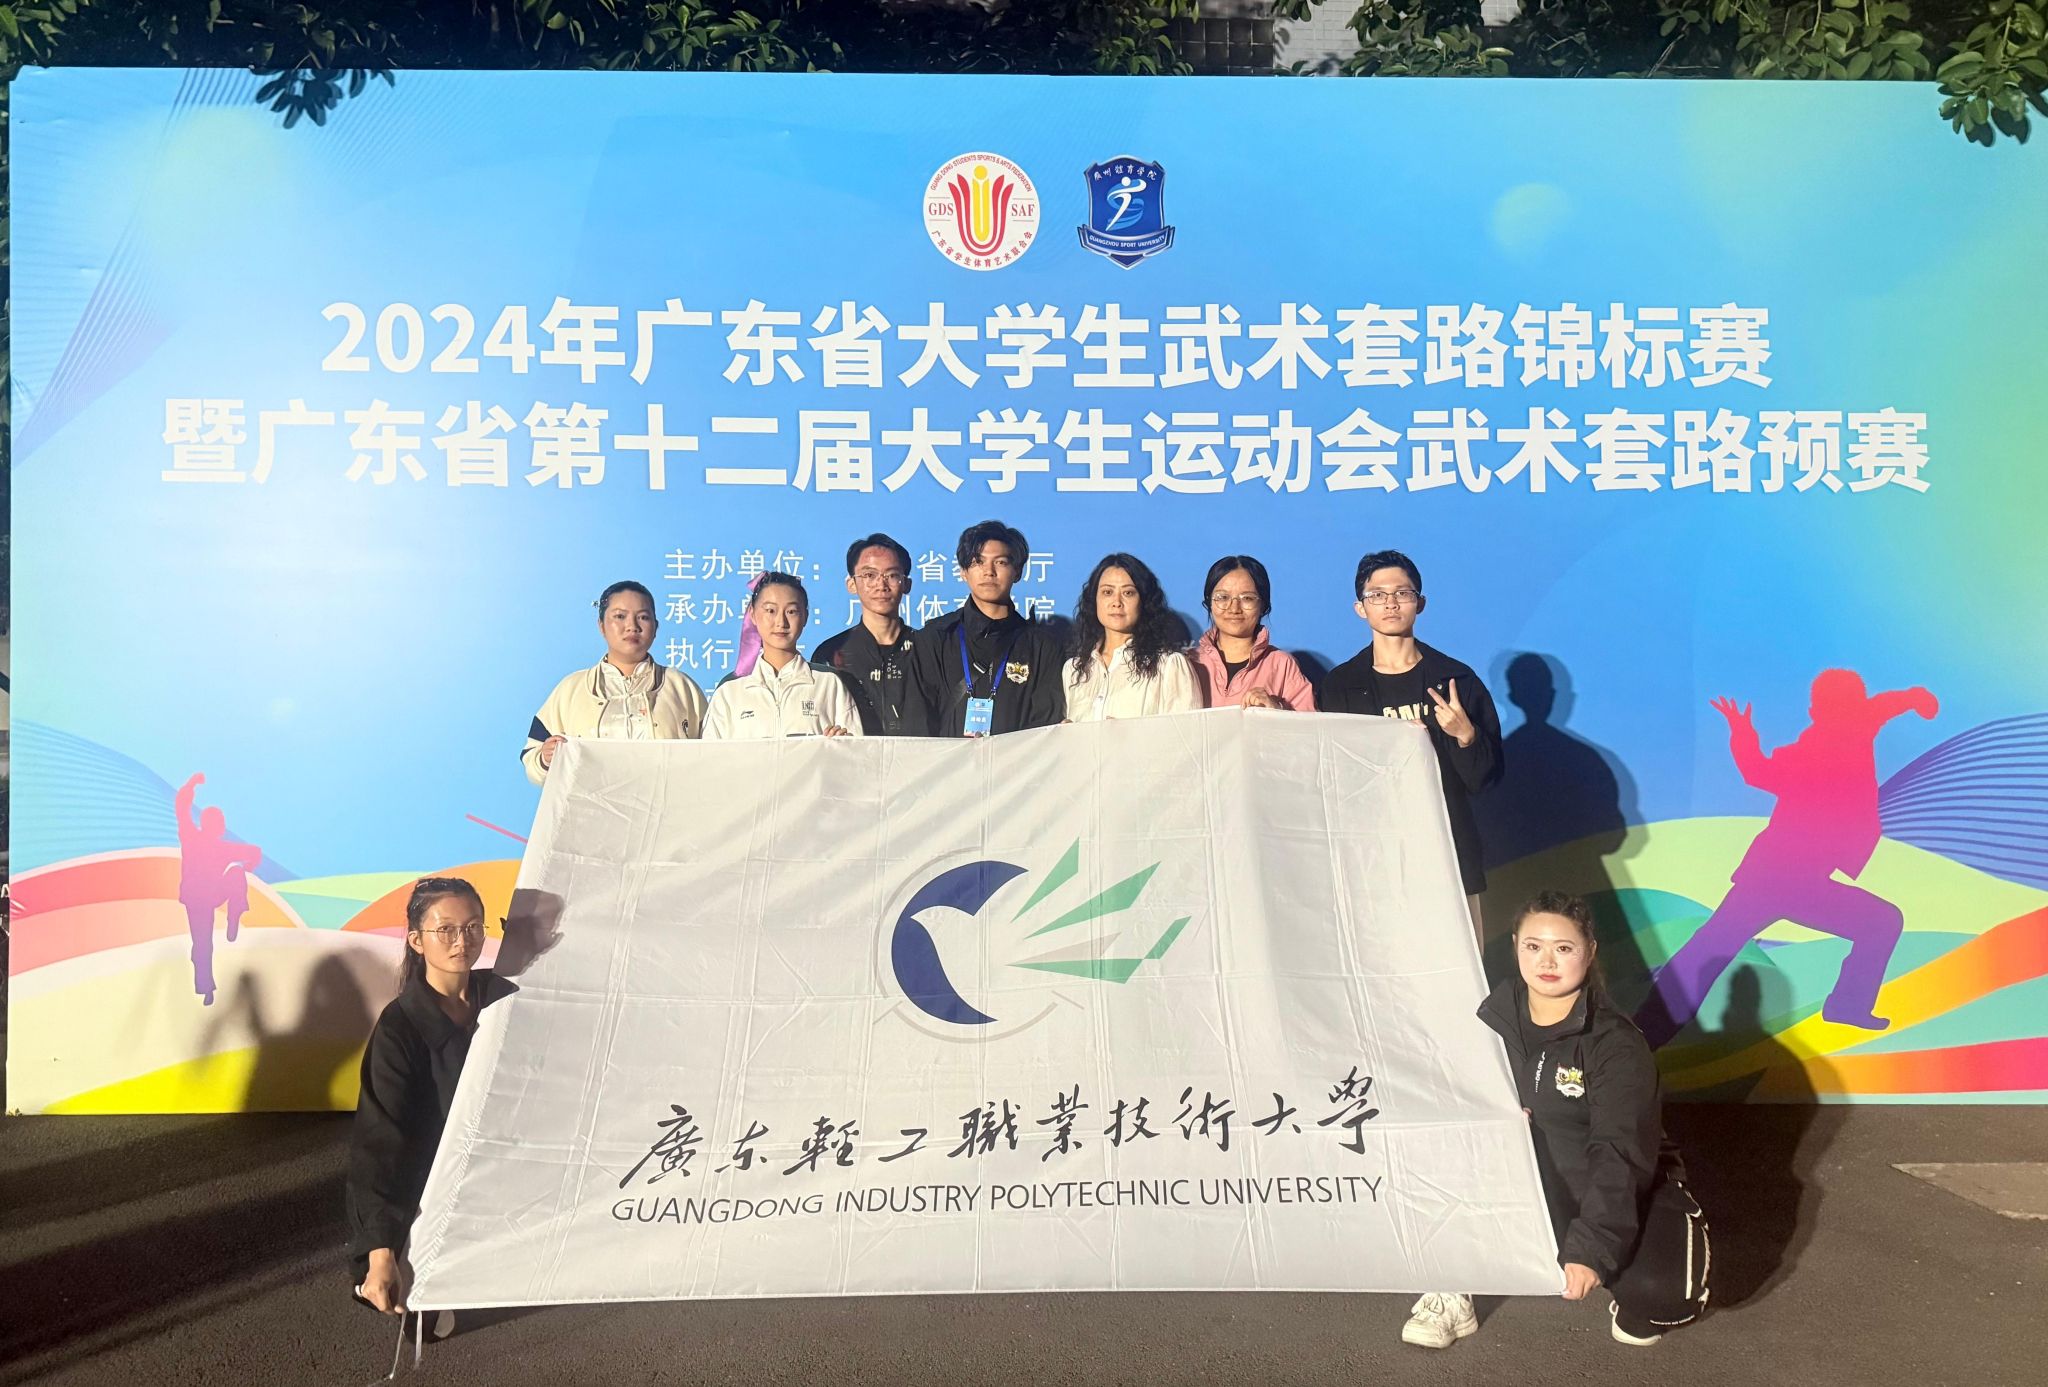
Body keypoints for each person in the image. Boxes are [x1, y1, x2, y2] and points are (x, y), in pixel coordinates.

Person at [1403, 890, 1710, 1350]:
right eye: (1533, 946)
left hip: (1595, 1181)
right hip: (1509, 1178)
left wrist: (1593, 1247)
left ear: (1589, 951)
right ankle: (1452, 1285)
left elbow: (1620, 1151)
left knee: (1660, 1294)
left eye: (1563, 948)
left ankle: (1614, 1265)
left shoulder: (1615, 1042)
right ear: (1516, 946)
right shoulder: (1486, 1018)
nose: (1546, 961)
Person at [1636, 671, 1937, 1047]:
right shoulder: (1818, 748)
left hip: (1799, 882)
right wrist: (1743, 733)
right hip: (1775, 879)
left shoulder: (1852, 730)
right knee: (1708, 950)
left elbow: (1882, 706)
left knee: (1881, 921)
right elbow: (1757, 772)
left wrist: (1915, 697)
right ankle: (1646, 1031)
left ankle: (1847, 1005)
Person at [346, 876, 506, 1336]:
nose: (462, 941)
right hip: (429, 1175)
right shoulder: (399, 1027)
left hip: (499, 1161)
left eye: (473, 927)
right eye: (446, 929)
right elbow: (380, 1139)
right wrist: (381, 1253)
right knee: (420, 1314)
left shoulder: (501, 997)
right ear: (416, 940)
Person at [1320, 550, 1503, 927]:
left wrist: (1465, 736)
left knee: (1463, 957)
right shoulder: (1340, 686)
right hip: (1374, 855)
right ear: (1360, 608)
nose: (1390, 603)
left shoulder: (1456, 679)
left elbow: (1484, 779)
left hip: (1449, 847)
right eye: (1377, 595)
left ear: (1420, 603)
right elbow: (1329, 779)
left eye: (1402, 593)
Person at [522, 580, 708, 784]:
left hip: (667, 803)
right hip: (590, 804)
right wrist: (545, 758)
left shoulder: (682, 688)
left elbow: (712, 756)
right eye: (620, 616)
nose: (632, 626)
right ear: (601, 625)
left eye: (643, 617)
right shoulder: (571, 690)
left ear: (656, 627)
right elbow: (532, 755)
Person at [902, 519, 1065, 737]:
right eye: (978, 562)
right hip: (948, 759)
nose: (989, 571)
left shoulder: (1042, 648)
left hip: (1017, 759)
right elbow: (916, 725)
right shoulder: (934, 638)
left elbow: (1044, 730)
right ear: (963, 571)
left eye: (1001, 562)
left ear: (1017, 571)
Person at [703, 573, 862, 739]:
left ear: (805, 617)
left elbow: (858, 748)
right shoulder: (730, 690)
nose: (781, 622)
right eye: (770, 611)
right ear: (752, 614)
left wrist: (843, 743)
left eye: (791, 611)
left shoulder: (829, 683)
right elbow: (710, 752)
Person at [1062, 552, 1200, 722]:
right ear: (1094, 599)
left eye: (1128, 593)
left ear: (1144, 601)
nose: (1116, 602)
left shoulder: (1169, 666)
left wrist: (1128, 735)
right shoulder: (1074, 670)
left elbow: (1188, 735)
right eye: (1107, 592)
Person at [812, 532, 922, 736]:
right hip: (853, 756)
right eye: (869, 575)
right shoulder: (830, 654)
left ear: (906, 584)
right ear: (851, 584)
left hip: (919, 756)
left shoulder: (929, 648)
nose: (881, 585)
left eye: (892, 575)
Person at [175, 772, 262, 1006]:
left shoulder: (219, 847)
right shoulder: (193, 837)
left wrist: (251, 864)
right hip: (198, 900)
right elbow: (182, 808)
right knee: (202, 944)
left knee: (236, 873)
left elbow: (254, 852)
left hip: (209, 896)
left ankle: (235, 913)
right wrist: (191, 784)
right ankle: (206, 987)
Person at [1186, 555, 1317, 711]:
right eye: (1223, 597)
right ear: (1209, 603)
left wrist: (1277, 709)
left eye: (1247, 598)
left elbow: (1308, 723)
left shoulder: (1282, 665)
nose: (1234, 608)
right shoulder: (1187, 663)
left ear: (1263, 605)